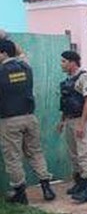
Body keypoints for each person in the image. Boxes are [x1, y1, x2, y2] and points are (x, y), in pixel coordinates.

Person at [0, 39, 55, 204]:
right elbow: (20, 52)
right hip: (30, 118)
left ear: (3, 53)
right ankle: (46, 187)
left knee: (13, 157)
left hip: (9, 120)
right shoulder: (26, 68)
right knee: (35, 152)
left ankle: (20, 193)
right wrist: (6, 39)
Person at [57, 50, 87, 203]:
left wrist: (82, 123)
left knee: (84, 154)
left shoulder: (84, 77)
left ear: (72, 62)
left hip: (80, 120)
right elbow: (67, 104)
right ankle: (79, 184)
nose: (62, 64)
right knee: (74, 155)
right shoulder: (68, 80)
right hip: (70, 120)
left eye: (64, 61)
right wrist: (62, 121)